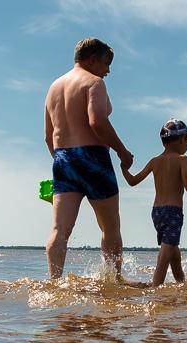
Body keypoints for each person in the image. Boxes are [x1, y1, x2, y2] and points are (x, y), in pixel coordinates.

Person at [43, 37, 133, 279]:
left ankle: (55, 283)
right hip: (93, 157)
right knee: (110, 226)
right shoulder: (93, 83)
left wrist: (62, 164)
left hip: (62, 159)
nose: (108, 70)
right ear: (92, 59)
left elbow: (48, 136)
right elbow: (97, 122)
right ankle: (113, 281)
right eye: (106, 63)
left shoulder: (54, 87)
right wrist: (122, 152)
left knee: (60, 229)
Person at [123, 119, 187, 285]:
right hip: (173, 213)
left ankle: (181, 284)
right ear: (181, 140)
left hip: (156, 213)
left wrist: (123, 168)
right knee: (164, 257)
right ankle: (154, 289)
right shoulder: (182, 159)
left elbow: (133, 181)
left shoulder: (154, 161)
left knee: (173, 254)